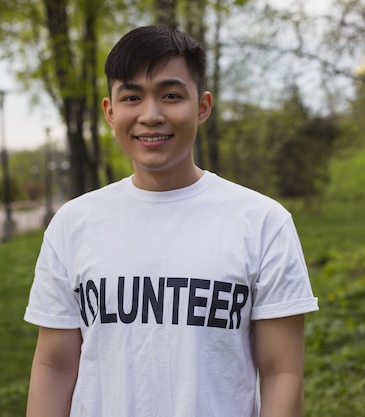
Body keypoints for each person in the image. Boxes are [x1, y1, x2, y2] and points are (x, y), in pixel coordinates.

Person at [24, 25, 319, 417]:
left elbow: (282, 373)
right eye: (132, 97)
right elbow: (55, 366)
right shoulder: (73, 225)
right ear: (110, 112)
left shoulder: (263, 223)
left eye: (171, 95)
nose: (151, 115)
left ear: (202, 106)